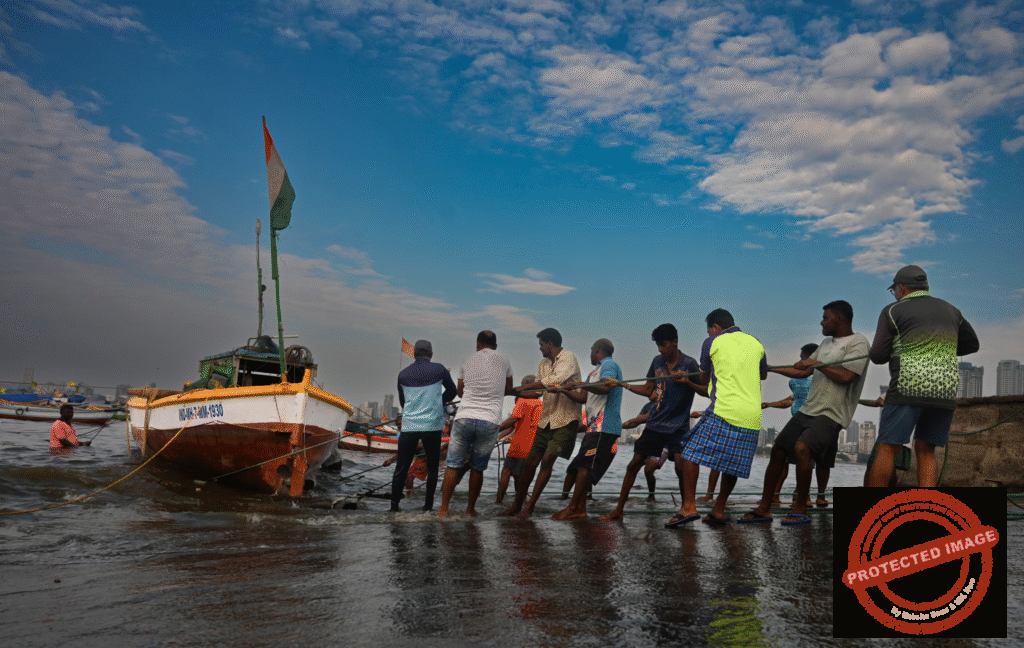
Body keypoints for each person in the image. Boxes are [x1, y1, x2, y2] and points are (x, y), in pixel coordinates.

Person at [741, 301, 869, 525]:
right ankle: (764, 508)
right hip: (809, 409)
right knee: (779, 449)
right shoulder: (826, 343)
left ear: (839, 318)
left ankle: (801, 508)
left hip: (832, 413)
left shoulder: (858, 342)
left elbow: (847, 376)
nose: (822, 322)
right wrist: (769, 368)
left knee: (802, 448)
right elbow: (804, 371)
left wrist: (816, 363)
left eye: (826, 317)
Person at [864, 265, 979, 487]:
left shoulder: (892, 311)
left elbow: (877, 355)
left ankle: (871, 513)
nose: (894, 294)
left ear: (903, 288)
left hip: (908, 387)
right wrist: (939, 349)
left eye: (894, 290)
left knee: (887, 448)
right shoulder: (951, 310)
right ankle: (927, 510)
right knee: (927, 451)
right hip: (944, 391)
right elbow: (972, 343)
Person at [668, 309, 767, 527]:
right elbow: (763, 374)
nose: (709, 334)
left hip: (725, 409)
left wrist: (687, 377)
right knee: (732, 463)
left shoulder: (712, 342)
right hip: (752, 416)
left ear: (716, 328)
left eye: (709, 330)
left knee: (688, 451)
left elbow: (704, 379)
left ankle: (688, 508)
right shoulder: (756, 343)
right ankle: (718, 509)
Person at [601, 324, 704, 522]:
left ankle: (686, 509)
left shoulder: (689, 364)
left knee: (681, 467)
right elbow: (649, 390)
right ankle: (618, 511)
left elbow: (707, 390)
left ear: (675, 342)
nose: (660, 349)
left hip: (679, 427)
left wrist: (687, 382)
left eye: (663, 345)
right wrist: (622, 385)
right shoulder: (657, 361)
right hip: (656, 424)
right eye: (658, 345)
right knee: (634, 465)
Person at [504, 328, 582, 520]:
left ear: (550, 344)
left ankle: (529, 508)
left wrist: (523, 386)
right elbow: (539, 392)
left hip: (565, 420)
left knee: (547, 461)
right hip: (546, 420)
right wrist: (514, 392)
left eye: (541, 345)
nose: (540, 349)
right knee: (530, 463)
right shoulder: (543, 364)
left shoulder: (568, 358)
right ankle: (516, 506)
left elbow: (553, 382)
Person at [438, 330, 514, 517]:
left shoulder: (468, 359)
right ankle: (470, 510)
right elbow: (509, 389)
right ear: (495, 346)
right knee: (477, 468)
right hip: (490, 420)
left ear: (478, 344)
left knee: (453, 465)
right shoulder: (504, 359)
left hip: (464, 416)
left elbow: (460, 391)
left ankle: (443, 510)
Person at [552, 339, 624, 520]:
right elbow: (584, 397)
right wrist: (564, 390)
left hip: (604, 425)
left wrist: (581, 385)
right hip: (594, 426)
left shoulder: (609, 365)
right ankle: (579, 508)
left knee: (585, 465)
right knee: (583, 465)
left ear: (598, 350)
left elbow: (606, 387)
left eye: (592, 350)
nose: (590, 353)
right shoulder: (593, 373)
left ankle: (575, 508)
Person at [391, 339, 457, 512]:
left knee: (401, 467)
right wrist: (437, 402)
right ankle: (427, 507)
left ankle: (394, 507)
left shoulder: (403, 374)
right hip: (432, 425)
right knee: (433, 467)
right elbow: (453, 391)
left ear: (414, 354)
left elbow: (404, 402)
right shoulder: (439, 369)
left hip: (409, 425)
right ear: (431, 354)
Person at [761, 342, 827, 507]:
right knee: (782, 456)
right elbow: (790, 400)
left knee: (807, 460)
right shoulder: (796, 383)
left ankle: (802, 496)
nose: (799, 360)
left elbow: (800, 375)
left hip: (812, 422)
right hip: (795, 423)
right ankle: (775, 496)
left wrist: (770, 368)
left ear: (809, 358)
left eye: (802, 357)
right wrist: (769, 404)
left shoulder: (821, 377)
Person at [495, 376, 543, 506]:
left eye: (522, 385)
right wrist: (501, 436)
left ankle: (499, 502)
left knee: (506, 472)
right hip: (532, 447)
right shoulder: (540, 404)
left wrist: (495, 430)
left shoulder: (523, 400)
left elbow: (513, 420)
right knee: (521, 476)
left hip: (519, 445)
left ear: (526, 385)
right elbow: (514, 425)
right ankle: (522, 503)